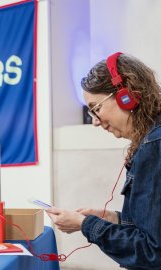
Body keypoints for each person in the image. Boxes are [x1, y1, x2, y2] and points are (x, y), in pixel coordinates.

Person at [46, 52, 161, 269]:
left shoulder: (153, 147)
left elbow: (150, 253)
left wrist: (86, 224)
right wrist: (111, 218)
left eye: (96, 109)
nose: (96, 122)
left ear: (126, 97)